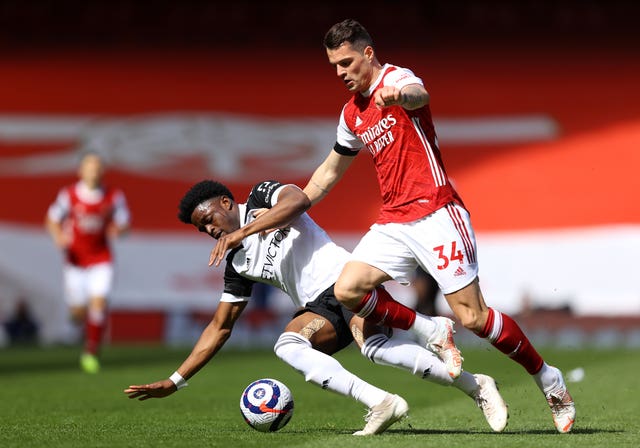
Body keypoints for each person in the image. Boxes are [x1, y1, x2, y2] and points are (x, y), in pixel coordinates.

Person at [300, 19, 575, 433]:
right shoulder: (351, 114)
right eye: (334, 66)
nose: (340, 72)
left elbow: (419, 95)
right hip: (394, 220)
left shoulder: (398, 78)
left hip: (436, 213)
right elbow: (327, 173)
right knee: (348, 289)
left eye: (346, 62)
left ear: (368, 54)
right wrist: (294, 206)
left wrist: (399, 96)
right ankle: (430, 329)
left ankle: (547, 378)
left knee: (475, 318)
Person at [124, 180, 509, 435]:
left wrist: (244, 230)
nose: (209, 230)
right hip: (319, 306)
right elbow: (220, 327)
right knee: (290, 346)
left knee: (378, 349)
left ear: (226, 203)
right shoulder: (237, 264)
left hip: (348, 280)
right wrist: (176, 381)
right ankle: (381, 402)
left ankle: (477, 386)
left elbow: (299, 200)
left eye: (208, 219)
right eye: (200, 229)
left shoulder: (261, 198)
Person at [46, 151, 130, 373]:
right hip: (75, 261)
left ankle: (91, 352)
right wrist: (58, 236)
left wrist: (117, 230)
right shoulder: (69, 195)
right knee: (77, 313)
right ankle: (82, 327)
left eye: (97, 167)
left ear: (102, 171)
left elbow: (124, 223)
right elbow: (52, 219)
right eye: (89, 166)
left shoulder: (113, 196)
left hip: (101, 258)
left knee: (99, 304)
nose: (93, 171)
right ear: (80, 170)